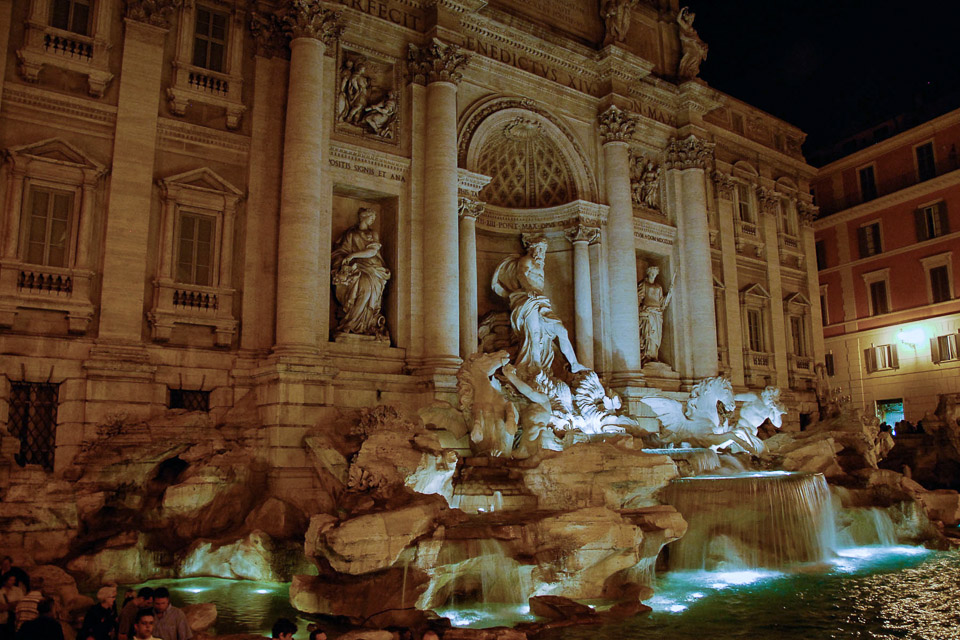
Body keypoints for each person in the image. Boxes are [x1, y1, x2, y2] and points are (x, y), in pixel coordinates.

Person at [491, 237, 587, 381]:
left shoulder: (539, 264)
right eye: (540, 249)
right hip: (527, 300)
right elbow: (521, 274)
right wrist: (528, 288)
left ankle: (574, 364)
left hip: (541, 302)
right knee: (533, 334)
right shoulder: (526, 260)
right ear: (532, 249)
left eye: (544, 250)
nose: (542, 253)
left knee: (561, 330)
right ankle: (533, 368)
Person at [331, 208, 392, 339]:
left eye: (374, 218)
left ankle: (364, 323)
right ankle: (351, 323)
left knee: (370, 291)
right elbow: (341, 250)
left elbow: (372, 251)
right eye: (371, 218)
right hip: (357, 268)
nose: (373, 220)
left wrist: (353, 255)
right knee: (364, 288)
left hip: (373, 268)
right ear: (363, 217)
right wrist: (344, 260)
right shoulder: (350, 234)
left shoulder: (373, 233)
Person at [637, 265, 675, 364]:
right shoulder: (644, 284)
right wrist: (640, 310)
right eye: (651, 272)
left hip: (657, 314)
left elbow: (662, 303)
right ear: (648, 273)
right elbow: (638, 298)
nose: (653, 275)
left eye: (655, 273)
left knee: (656, 336)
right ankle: (647, 355)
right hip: (648, 313)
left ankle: (654, 355)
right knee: (648, 334)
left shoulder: (658, 287)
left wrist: (669, 294)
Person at [1, 572, 25, 639]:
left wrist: (8, 605)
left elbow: (21, 602)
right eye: (10, 580)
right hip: (2, 618)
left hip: (14, 618)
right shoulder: (1, 591)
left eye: (13, 580)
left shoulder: (17, 590)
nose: (13, 582)